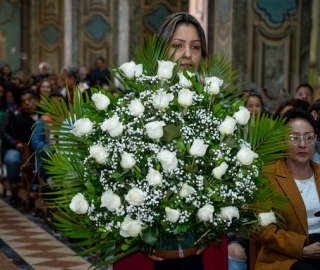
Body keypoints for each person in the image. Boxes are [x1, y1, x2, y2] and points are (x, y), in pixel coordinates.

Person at [114, 12, 228, 270]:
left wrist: (206, 230)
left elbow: (226, 180)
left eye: (196, 47)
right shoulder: (136, 106)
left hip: (200, 246)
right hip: (147, 250)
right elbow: (117, 178)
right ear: (161, 51)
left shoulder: (216, 110)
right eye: (178, 45)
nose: (187, 54)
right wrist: (142, 238)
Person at [252, 108, 320, 269]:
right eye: (294, 138)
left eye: (308, 137)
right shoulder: (266, 176)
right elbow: (262, 230)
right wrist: (302, 249)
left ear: (316, 140)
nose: (302, 144)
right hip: (284, 256)